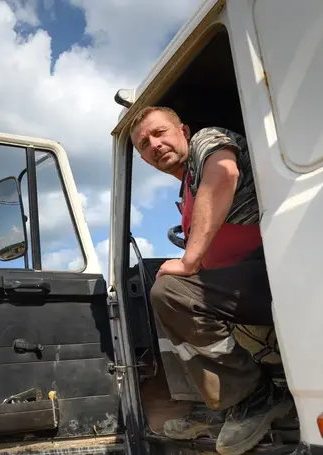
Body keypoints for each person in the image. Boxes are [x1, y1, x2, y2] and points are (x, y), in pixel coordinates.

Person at [129, 106, 293, 455]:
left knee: (171, 292)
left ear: (184, 130)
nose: (154, 145)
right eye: (144, 144)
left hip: (279, 270)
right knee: (168, 297)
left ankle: (255, 396)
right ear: (143, 159)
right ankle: (226, 401)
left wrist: (188, 261)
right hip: (245, 285)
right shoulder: (186, 193)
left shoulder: (209, 141)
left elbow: (224, 175)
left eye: (160, 133)